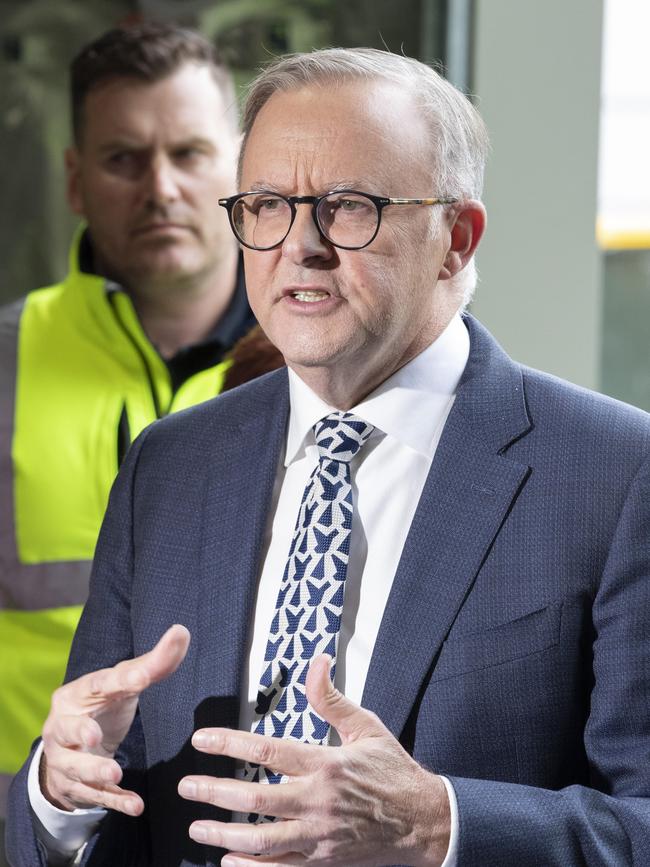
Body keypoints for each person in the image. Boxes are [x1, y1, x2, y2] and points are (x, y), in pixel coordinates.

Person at [7, 46, 650, 867]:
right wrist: (58, 791)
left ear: (455, 238)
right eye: (268, 204)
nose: (298, 245)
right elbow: (109, 778)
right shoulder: (169, 465)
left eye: (349, 207)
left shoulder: (617, 474)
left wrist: (439, 823)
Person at [0, 21, 283, 860]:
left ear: (239, 168)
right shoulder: (6, 363)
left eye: (190, 154)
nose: (160, 188)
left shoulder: (314, 361)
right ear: (76, 182)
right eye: (124, 159)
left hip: (246, 832)